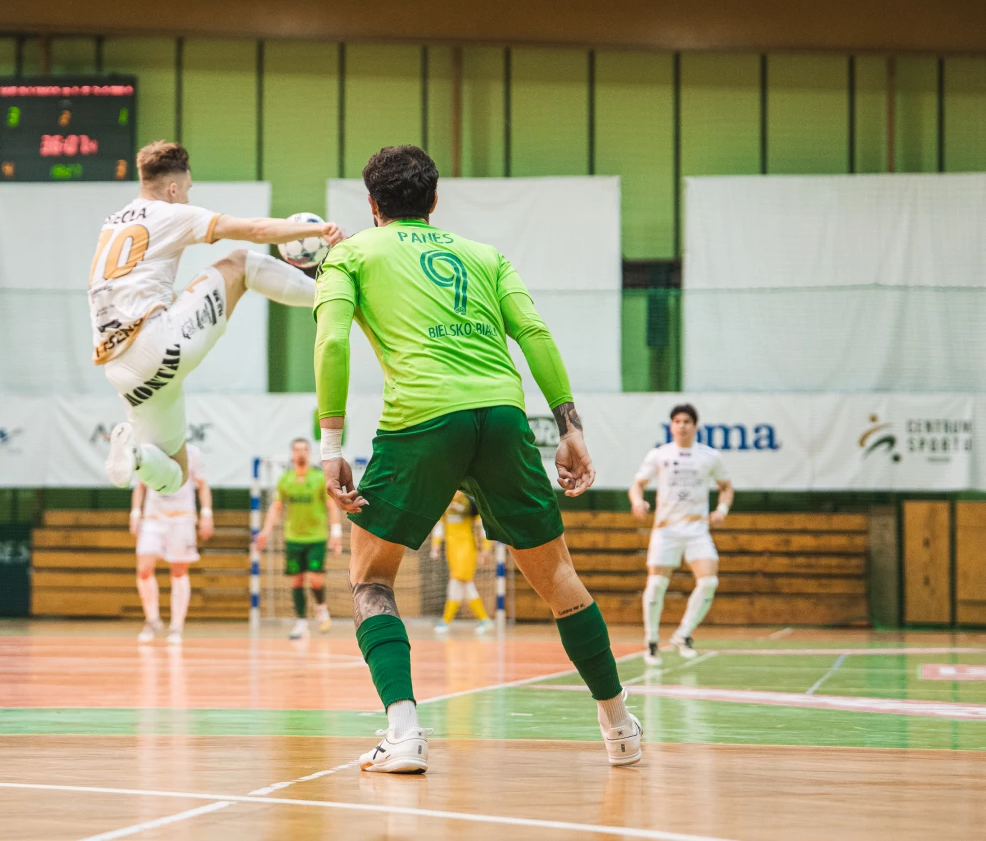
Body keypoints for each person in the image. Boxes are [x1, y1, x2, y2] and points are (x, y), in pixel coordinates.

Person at [314, 144, 639, 774]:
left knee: (371, 580)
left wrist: (331, 447)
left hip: (421, 420)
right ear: (434, 201)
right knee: (558, 579)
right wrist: (570, 426)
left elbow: (332, 341)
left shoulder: (348, 255)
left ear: (373, 203)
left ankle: (404, 733)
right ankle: (618, 723)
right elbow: (534, 333)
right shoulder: (487, 256)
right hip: (504, 418)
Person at [96, 141, 345, 497]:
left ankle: (136, 456)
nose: (187, 197)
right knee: (241, 263)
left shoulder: (112, 223)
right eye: (187, 190)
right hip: (156, 343)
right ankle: (334, 296)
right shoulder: (169, 213)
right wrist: (317, 231)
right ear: (172, 189)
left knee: (176, 475)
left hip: (118, 366)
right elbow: (255, 230)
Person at [630, 403, 734, 666]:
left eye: (687, 421)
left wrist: (721, 509)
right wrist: (638, 502)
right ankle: (651, 641)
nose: (682, 425)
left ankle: (683, 634)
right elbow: (637, 485)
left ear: (695, 426)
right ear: (671, 426)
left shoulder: (710, 456)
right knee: (656, 584)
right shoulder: (659, 454)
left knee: (709, 581)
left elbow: (726, 487)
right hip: (666, 530)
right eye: (677, 421)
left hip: (697, 529)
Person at [256, 438, 342, 639]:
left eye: (304, 449)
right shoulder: (286, 480)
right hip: (293, 538)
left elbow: (331, 507)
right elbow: (275, 508)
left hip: (316, 537)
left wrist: (336, 534)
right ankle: (301, 623)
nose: (301, 453)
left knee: (315, 578)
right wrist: (265, 532)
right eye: (297, 449)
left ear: (309, 453)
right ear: (292, 453)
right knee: (297, 581)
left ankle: (321, 607)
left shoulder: (319, 478)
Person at [129, 443, 213, 643]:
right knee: (144, 569)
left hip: (182, 518)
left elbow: (202, 485)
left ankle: (176, 626)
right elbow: (140, 487)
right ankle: (152, 619)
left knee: (179, 571)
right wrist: (135, 513)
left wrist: (207, 513)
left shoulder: (192, 453)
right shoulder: (149, 450)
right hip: (153, 518)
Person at [430, 491, 494, 634]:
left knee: (457, 582)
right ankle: (484, 620)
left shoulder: (470, 502)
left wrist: (485, 548)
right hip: (451, 550)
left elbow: (482, 526)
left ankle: (446, 620)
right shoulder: (444, 500)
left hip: (467, 549)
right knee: (464, 585)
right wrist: (435, 545)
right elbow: (440, 525)